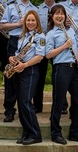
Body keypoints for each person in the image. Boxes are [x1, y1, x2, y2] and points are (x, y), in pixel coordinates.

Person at [45, 4, 78, 145]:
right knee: (58, 101)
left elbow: (77, 48)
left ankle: (76, 131)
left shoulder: (71, 31)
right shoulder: (50, 34)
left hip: (74, 69)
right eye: (56, 14)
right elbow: (48, 54)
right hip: (61, 68)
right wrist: (64, 46)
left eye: (62, 14)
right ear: (52, 16)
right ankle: (55, 133)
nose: (59, 16)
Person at [0, 0, 38, 122]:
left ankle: (25, 107)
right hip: (14, 41)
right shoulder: (11, 7)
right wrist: (18, 24)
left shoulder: (35, 9)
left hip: (29, 43)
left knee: (26, 74)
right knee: (11, 76)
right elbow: (2, 26)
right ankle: (9, 110)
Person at [8, 10, 46, 145]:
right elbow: (19, 52)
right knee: (21, 103)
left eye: (33, 20)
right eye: (28, 20)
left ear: (37, 22)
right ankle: (27, 132)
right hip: (20, 69)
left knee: (25, 102)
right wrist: (12, 58)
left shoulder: (40, 36)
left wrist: (24, 65)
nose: (30, 23)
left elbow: (40, 57)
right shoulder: (23, 36)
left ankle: (35, 134)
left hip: (30, 70)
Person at [33, 0, 57, 113]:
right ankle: (37, 105)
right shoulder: (37, 9)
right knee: (39, 76)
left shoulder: (60, 9)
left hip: (57, 46)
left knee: (58, 76)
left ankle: (61, 105)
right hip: (42, 45)